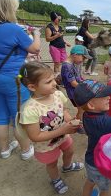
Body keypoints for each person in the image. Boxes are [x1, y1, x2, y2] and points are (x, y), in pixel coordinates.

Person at [16, 61, 84, 194]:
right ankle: (56, 179)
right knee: (52, 164)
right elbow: (35, 136)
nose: (54, 83)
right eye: (48, 82)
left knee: (69, 151)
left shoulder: (57, 95)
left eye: (53, 78)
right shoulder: (30, 109)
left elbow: (63, 111)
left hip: (63, 136)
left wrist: (71, 121)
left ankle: (67, 166)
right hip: (45, 145)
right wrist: (63, 129)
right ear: (32, 87)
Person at [0, 0, 40, 160]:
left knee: (0, 115)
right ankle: (25, 149)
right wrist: (36, 34)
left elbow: (6, 51)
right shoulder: (12, 29)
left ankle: (4, 149)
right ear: (9, 7)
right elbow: (36, 48)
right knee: (19, 115)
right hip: (13, 79)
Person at [61, 42, 92, 120]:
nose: (83, 60)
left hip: (77, 91)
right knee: (81, 110)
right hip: (74, 93)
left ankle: (78, 120)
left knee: (82, 109)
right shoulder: (67, 66)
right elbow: (73, 83)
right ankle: (79, 124)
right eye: (83, 58)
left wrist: (85, 81)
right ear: (75, 55)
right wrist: (85, 86)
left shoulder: (72, 64)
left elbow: (78, 77)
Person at [45, 11, 71, 75]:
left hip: (62, 47)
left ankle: (60, 76)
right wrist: (56, 36)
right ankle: (57, 77)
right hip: (54, 47)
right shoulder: (49, 27)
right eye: (58, 19)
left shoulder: (60, 27)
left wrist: (65, 42)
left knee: (65, 62)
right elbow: (47, 39)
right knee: (57, 63)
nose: (60, 20)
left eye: (60, 19)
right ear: (54, 18)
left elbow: (61, 38)